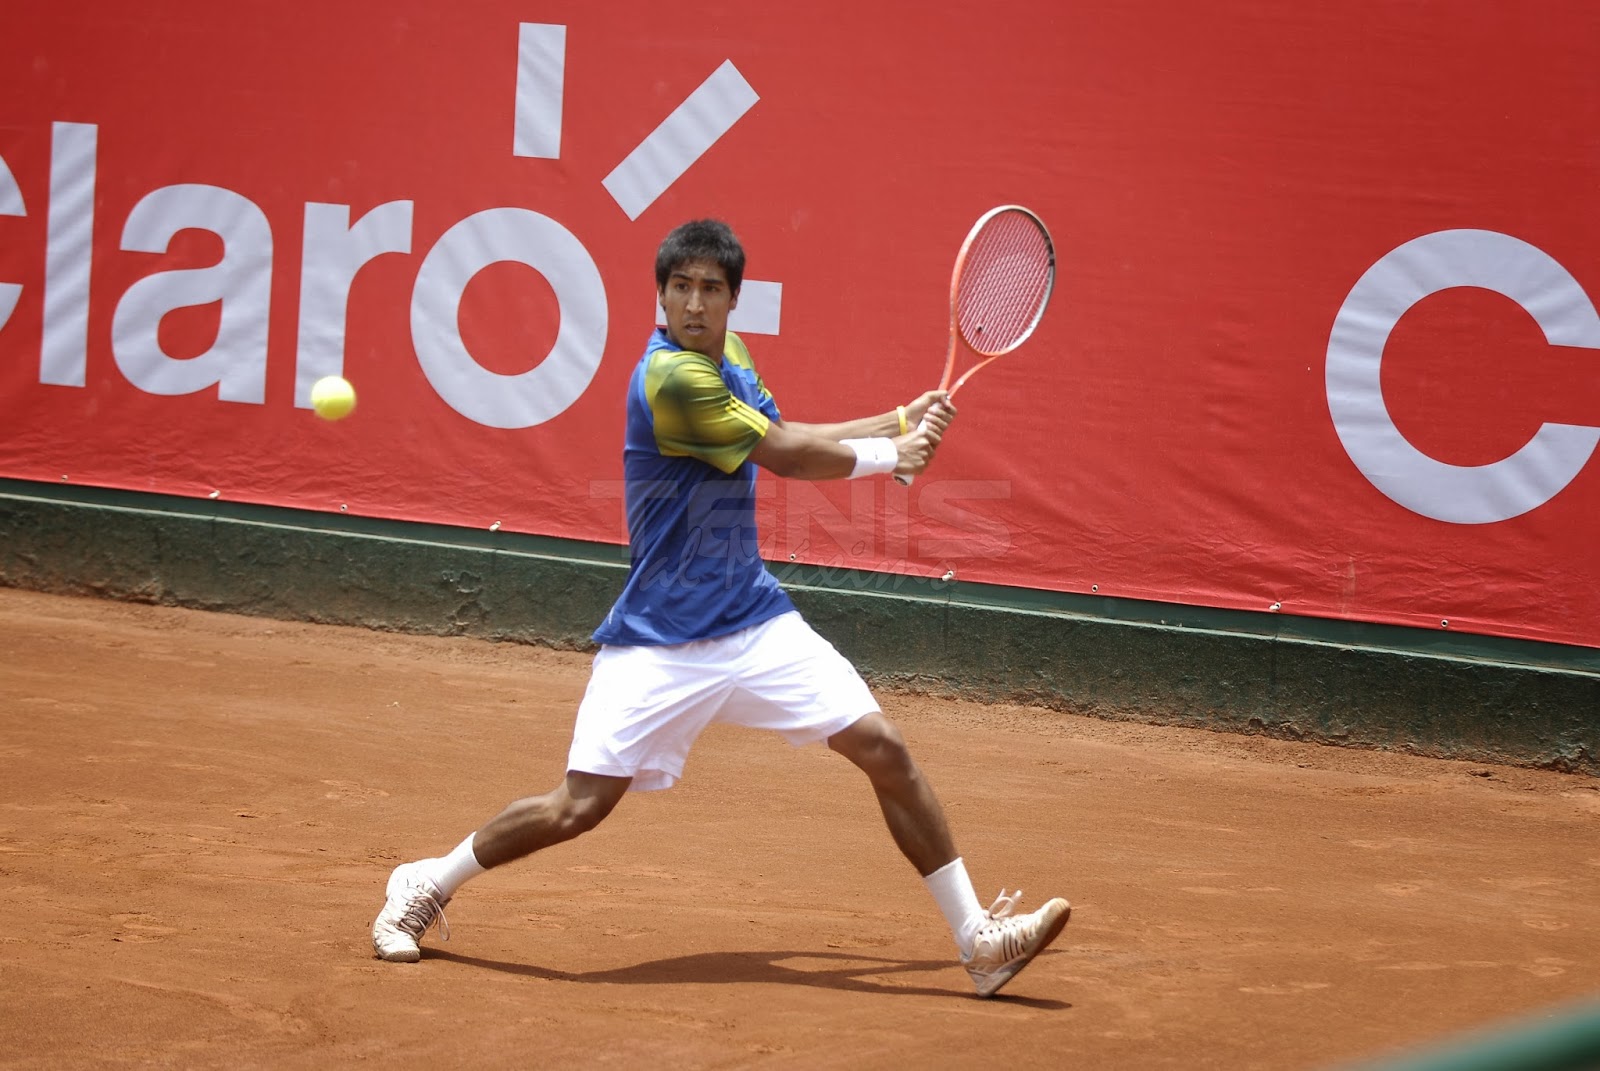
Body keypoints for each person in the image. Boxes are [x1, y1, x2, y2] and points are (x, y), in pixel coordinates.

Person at [371, 218, 1070, 998]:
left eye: (710, 288)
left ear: (734, 299)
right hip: (659, 641)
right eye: (680, 288)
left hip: (754, 620)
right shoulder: (672, 380)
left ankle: (978, 940)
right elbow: (785, 457)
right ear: (661, 296)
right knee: (576, 806)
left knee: (883, 746)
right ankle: (426, 882)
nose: (694, 303)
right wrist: (889, 455)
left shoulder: (730, 357)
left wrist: (898, 422)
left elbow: (786, 429)